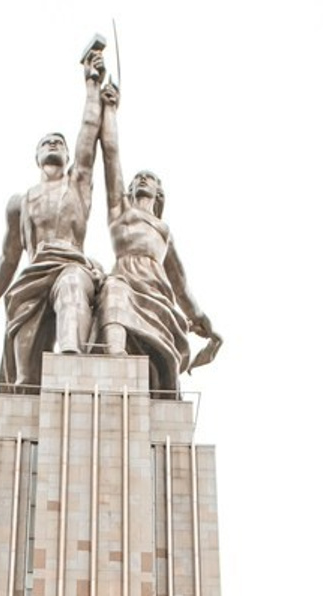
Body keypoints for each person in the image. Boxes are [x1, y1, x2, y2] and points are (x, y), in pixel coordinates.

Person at [0, 45, 107, 390]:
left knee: (73, 285)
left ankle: (72, 359)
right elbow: (9, 257)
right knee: (25, 377)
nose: (55, 144)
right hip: (32, 276)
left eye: (60, 142)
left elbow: (89, 131)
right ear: (37, 155)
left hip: (70, 264)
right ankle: (26, 410)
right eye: (48, 142)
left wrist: (91, 86)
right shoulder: (20, 202)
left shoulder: (78, 184)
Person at [94, 81, 218, 395]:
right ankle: (115, 359)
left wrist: (199, 316)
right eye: (137, 178)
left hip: (158, 294)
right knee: (112, 288)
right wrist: (110, 110)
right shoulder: (119, 210)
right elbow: (111, 155)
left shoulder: (164, 231)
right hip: (125, 279)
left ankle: (164, 393)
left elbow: (180, 282)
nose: (141, 180)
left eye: (148, 178)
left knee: (165, 370)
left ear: (159, 192)